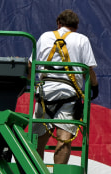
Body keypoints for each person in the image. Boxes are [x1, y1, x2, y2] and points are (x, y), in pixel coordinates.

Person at [30, 9, 98, 164]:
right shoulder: (82, 40)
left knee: (37, 140)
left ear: (58, 23)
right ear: (76, 26)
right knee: (64, 137)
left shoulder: (45, 37)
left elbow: (30, 64)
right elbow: (89, 70)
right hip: (69, 94)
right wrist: (95, 86)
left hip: (44, 93)